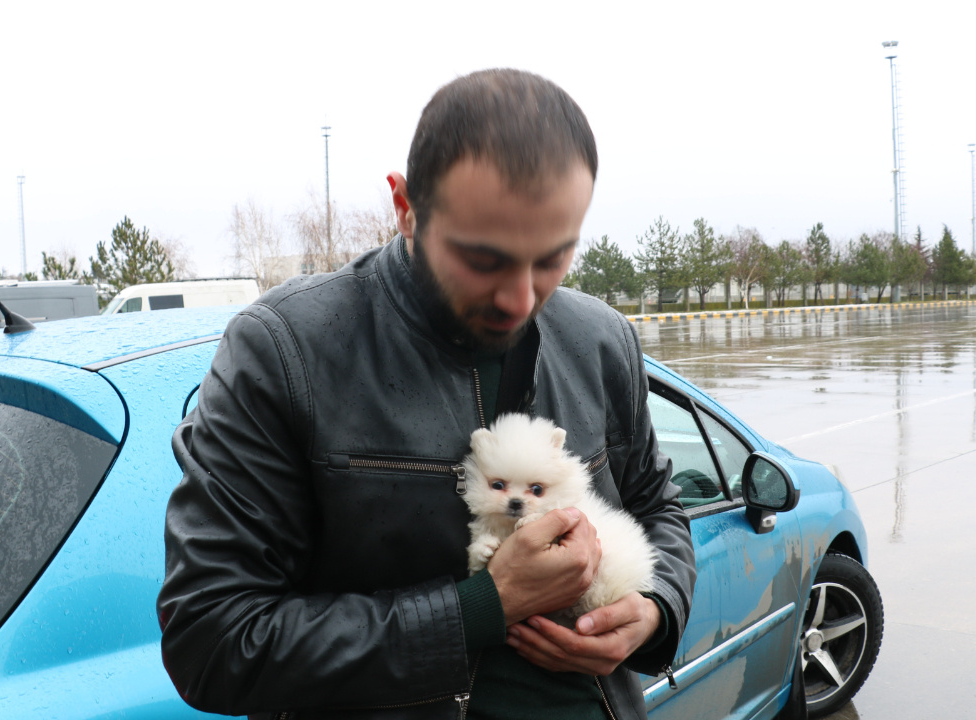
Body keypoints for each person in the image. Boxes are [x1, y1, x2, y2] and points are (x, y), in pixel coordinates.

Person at [158, 68, 695, 720]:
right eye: (484, 258)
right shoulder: (284, 351)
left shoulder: (602, 339)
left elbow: (657, 508)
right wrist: (478, 609)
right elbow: (212, 640)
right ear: (405, 207)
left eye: (553, 257)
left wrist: (657, 608)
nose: (522, 299)